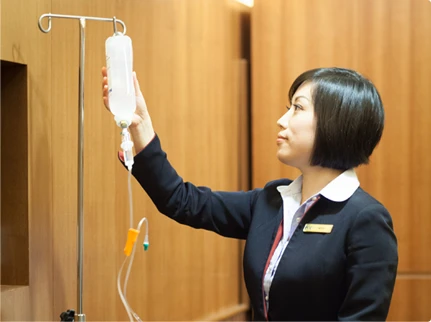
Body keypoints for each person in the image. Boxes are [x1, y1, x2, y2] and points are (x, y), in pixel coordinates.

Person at [101, 67, 398, 321]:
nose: (282, 120)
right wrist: (142, 127)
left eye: (298, 107)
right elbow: (182, 201)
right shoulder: (271, 200)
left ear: (337, 123)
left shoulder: (365, 219)